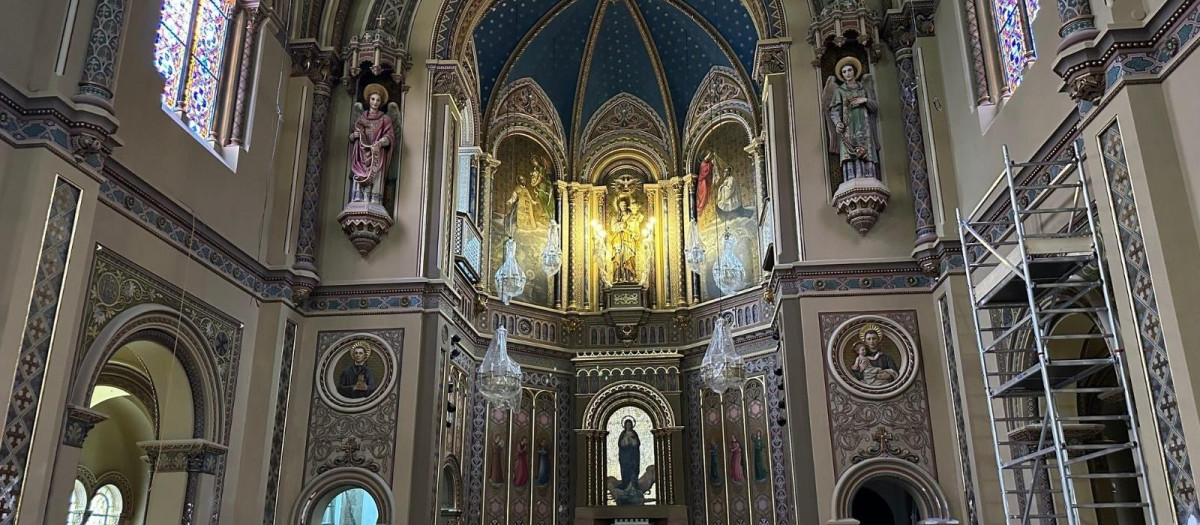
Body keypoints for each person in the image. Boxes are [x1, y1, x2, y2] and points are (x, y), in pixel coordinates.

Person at [825, 57, 880, 180]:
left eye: (849, 70)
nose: (847, 74)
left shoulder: (863, 89)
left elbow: (874, 107)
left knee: (865, 147)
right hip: (848, 127)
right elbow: (834, 111)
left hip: (863, 124)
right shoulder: (839, 91)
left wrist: (864, 100)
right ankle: (853, 177)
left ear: (854, 71)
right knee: (850, 151)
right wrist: (838, 122)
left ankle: (868, 176)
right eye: (844, 72)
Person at [349, 84, 395, 198]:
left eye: (378, 100)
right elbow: (353, 133)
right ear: (368, 100)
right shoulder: (361, 118)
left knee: (376, 177)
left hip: (376, 155)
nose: (375, 102)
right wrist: (353, 135)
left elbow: (389, 136)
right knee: (359, 179)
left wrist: (380, 142)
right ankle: (358, 198)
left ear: (381, 102)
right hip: (361, 154)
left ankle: (374, 199)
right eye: (373, 99)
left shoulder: (385, 119)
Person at [617, 418, 640, 490]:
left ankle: (633, 485)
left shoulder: (634, 433)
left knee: (633, 470)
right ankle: (625, 485)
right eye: (627, 425)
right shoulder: (623, 434)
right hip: (625, 457)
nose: (628, 426)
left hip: (633, 456)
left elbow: (637, 444)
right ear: (625, 426)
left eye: (629, 425)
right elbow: (620, 445)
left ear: (632, 425)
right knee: (625, 470)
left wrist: (632, 440)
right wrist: (625, 441)